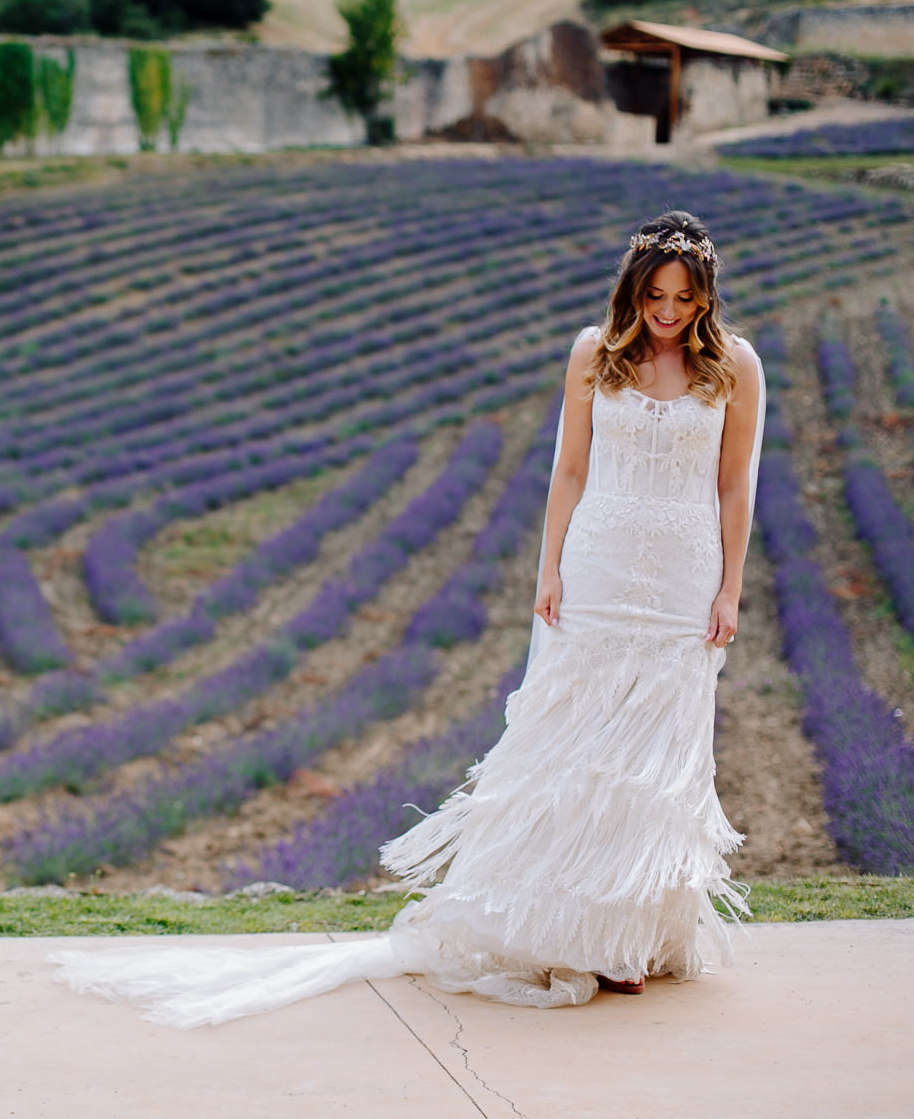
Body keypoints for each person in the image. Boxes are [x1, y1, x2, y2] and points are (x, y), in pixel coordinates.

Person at [48, 210, 766, 1023]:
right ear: (633, 290)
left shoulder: (734, 366)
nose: (668, 313)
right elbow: (568, 471)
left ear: (704, 297)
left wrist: (729, 588)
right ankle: (571, 930)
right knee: (575, 749)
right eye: (655, 296)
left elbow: (735, 485)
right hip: (599, 571)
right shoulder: (592, 353)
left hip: (680, 581)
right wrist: (552, 569)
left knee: (650, 759)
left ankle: (632, 937)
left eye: (683, 298)